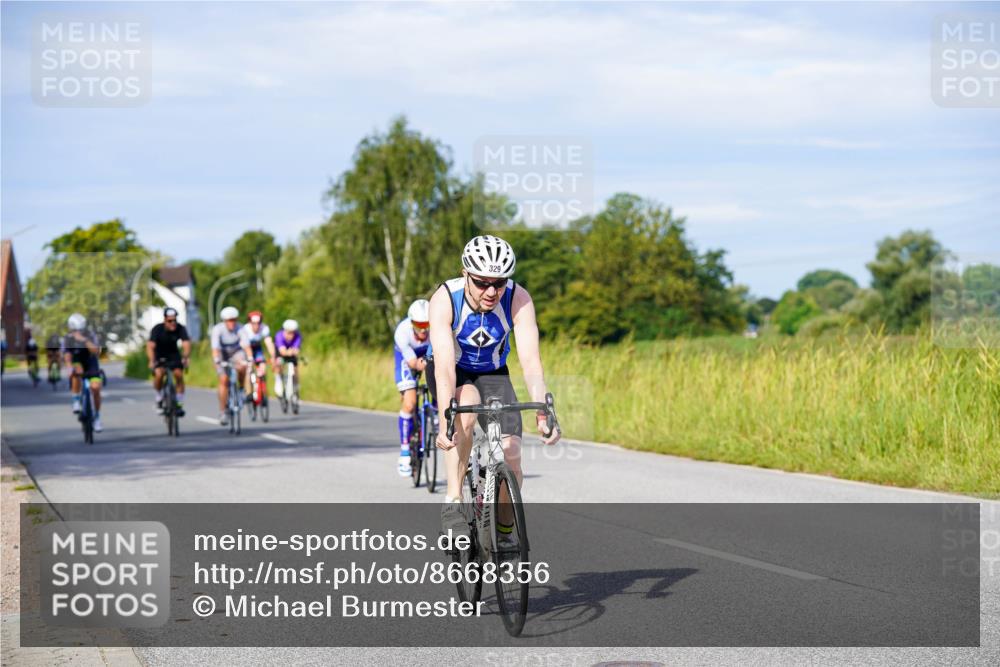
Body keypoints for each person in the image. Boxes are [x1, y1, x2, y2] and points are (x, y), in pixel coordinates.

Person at [429, 235, 560, 541]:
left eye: (499, 283)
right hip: (455, 371)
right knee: (466, 410)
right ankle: (453, 501)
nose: (491, 291)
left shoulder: (519, 298)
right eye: (482, 282)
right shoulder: (446, 298)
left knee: (512, 454)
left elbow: (531, 362)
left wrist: (543, 410)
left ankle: (501, 530)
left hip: (494, 372)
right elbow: (446, 366)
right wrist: (445, 417)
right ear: (466, 274)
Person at [392, 299, 432, 476]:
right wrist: (420, 364)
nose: (423, 329)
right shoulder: (402, 331)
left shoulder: (438, 328)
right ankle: (405, 451)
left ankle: (437, 416)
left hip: (426, 355)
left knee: (442, 380)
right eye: (419, 324)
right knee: (409, 403)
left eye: (426, 324)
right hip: (406, 359)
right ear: (411, 322)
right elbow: (412, 362)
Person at [210, 306, 252, 426]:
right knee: (223, 380)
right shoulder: (218, 329)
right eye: (229, 320)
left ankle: (241, 389)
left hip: (236, 353)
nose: (232, 323)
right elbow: (215, 349)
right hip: (222, 354)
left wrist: (250, 358)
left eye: (234, 320)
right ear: (224, 321)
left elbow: (246, 346)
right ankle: (223, 411)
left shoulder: (240, 328)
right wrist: (217, 360)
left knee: (243, 366)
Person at [146, 307, 191, 416]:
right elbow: (150, 346)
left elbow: (186, 343)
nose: (173, 323)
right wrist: (152, 360)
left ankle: (179, 402)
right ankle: (159, 396)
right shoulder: (157, 329)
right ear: (165, 320)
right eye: (170, 320)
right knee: (159, 374)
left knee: (178, 374)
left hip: (173, 355)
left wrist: (185, 357)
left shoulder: (180, 328)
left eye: (175, 320)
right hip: (159, 355)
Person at [62, 313, 104, 432]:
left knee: (95, 388)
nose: (77, 332)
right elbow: (67, 355)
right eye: (75, 330)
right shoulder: (67, 338)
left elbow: (96, 351)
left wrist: (84, 340)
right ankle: (76, 400)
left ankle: (97, 417)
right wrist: (69, 368)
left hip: (91, 363)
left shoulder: (90, 336)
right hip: (77, 362)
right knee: (76, 371)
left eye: (79, 330)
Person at [241, 310, 276, 403]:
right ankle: (248, 393)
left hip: (257, 348)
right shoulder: (245, 329)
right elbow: (244, 345)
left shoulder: (264, 328)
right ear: (250, 322)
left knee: (262, 367)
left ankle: (263, 392)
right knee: (248, 370)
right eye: (254, 323)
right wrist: (249, 358)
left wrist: (273, 356)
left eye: (258, 323)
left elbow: (269, 343)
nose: (256, 326)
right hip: (246, 348)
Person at [273, 319, 301, 399]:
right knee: (279, 363)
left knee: (295, 367)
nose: (291, 335)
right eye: (289, 332)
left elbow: (296, 350)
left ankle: (295, 385)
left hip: (290, 352)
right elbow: (282, 351)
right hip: (280, 353)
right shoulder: (279, 335)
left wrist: (292, 351)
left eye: (293, 333)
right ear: (284, 330)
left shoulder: (298, 336)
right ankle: (278, 380)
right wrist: (289, 351)